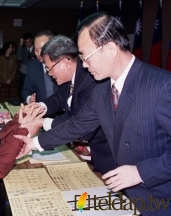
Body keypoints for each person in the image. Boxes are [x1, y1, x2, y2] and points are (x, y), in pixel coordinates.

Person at [16, 12, 171, 215]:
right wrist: (34, 144)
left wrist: (141, 172)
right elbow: (77, 125)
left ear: (110, 49)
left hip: (159, 199)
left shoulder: (162, 85)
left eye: (85, 56)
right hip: (123, 195)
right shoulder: (102, 90)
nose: (84, 64)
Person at [39, 35, 114, 174]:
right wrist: (40, 107)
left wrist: (42, 123)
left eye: (50, 69)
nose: (49, 74)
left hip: (106, 155)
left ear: (65, 62)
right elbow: (58, 99)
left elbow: (80, 125)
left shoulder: (91, 80)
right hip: (86, 151)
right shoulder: (70, 77)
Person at [22, 30, 59, 104]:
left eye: (43, 49)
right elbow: (26, 90)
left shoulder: (62, 64)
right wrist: (29, 99)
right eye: (36, 50)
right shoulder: (32, 67)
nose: (39, 54)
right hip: (42, 112)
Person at [17, 32, 36, 101]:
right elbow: (19, 58)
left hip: (34, 72)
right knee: (22, 88)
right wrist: (21, 44)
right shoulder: (22, 49)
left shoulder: (36, 49)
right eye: (26, 42)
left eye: (29, 42)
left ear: (32, 40)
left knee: (33, 89)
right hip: (23, 73)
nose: (28, 44)